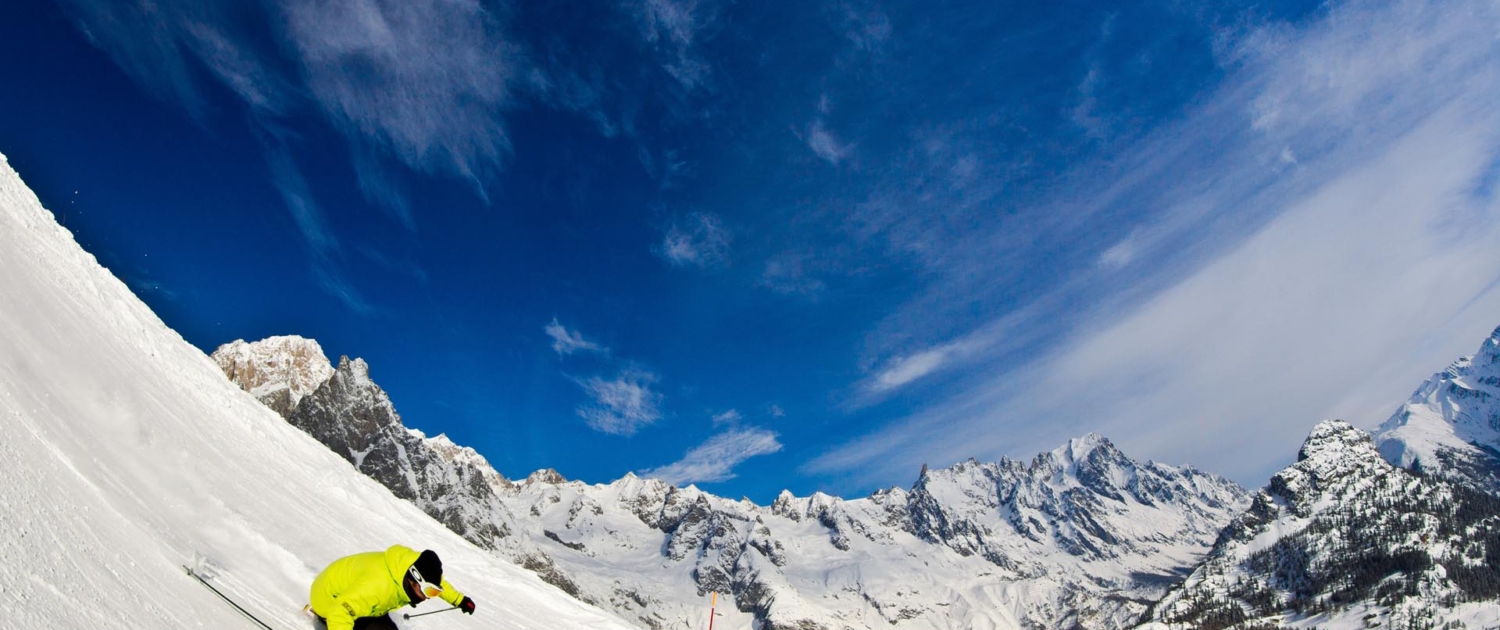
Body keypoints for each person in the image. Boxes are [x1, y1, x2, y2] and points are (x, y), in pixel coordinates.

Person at [309, 545, 477, 630]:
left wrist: (460, 600)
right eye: (427, 591)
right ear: (414, 579)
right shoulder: (377, 586)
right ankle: (321, 617)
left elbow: (440, 583)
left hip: (361, 600)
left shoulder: (410, 565)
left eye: (434, 592)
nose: (427, 597)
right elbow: (340, 611)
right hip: (328, 599)